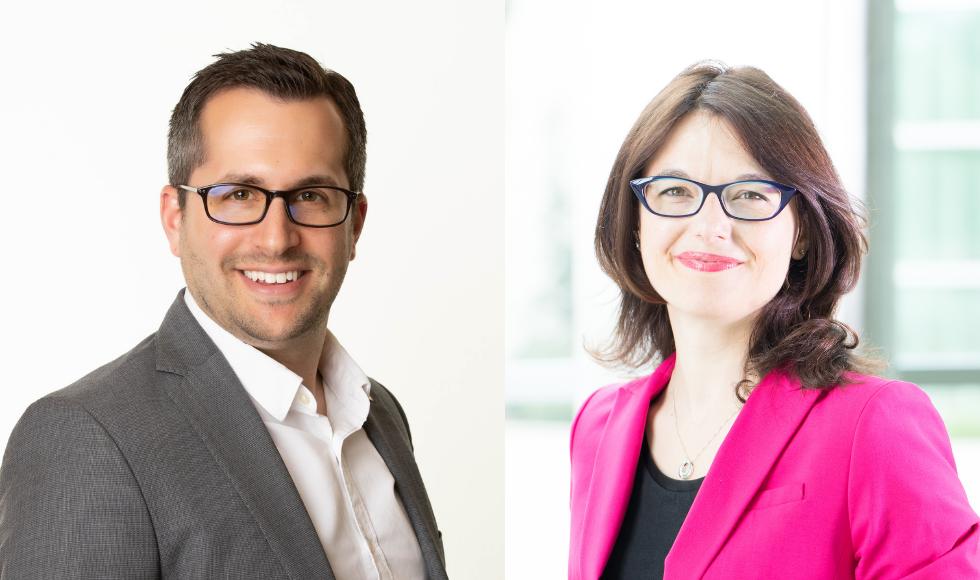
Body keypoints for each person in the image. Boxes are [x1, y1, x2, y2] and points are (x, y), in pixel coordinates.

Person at [0, 43, 447, 580]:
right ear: (174, 217)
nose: (277, 239)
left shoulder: (379, 414)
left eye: (310, 195)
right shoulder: (87, 439)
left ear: (355, 224)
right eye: (237, 194)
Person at [569, 62, 980, 579]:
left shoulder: (875, 426)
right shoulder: (598, 427)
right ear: (635, 222)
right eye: (674, 191)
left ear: (802, 232)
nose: (710, 227)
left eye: (750, 196)